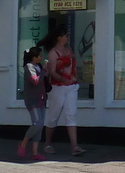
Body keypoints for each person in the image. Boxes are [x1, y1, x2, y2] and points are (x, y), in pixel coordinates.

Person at [42, 26, 84, 156]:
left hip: (71, 85)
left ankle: (74, 146)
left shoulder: (68, 50)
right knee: (54, 114)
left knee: (71, 114)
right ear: (59, 38)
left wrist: (75, 77)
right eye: (66, 35)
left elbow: (73, 66)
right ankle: (47, 143)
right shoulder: (53, 53)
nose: (68, 38)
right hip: (58, 87)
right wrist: (62, 79)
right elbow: (52, 71)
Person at [17, 45, 47, 161]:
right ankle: (23, 143)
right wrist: (44, 71)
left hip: (41, 98)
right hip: (32, 100)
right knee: (37, 123)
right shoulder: (29, 67)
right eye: (39, 56)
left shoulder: (38, 66)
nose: (41, 57)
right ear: (33, 57)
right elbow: (35, 81)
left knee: (40, 125)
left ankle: (35, 152)